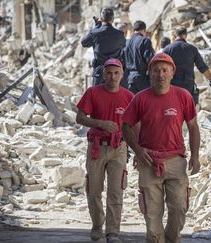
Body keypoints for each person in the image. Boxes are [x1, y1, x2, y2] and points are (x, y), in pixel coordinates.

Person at [122, 53, 201, 243]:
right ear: (149, 73)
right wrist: (138, 151)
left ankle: (171, 239)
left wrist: (195, 156)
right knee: (151, 213)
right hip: (149, 161)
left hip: (176, 161)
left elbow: (193, 127)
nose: (160, 74)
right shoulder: (140, 99)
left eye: (165, 70)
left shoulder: (183, 96)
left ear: (172, 73)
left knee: (179, 208)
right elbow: (125, 125)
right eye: (156, 70)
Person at [76, 58, 133, 243]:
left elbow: (135, 124)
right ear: (103, 74)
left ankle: (112, 232)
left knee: (116, 191)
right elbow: (80, 117)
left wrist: (139, 149)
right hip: (96, 147)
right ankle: (97, 224)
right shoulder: (93, 92)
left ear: (122, 74)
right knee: (94, 189)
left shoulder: (129, 97)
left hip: (119, 148)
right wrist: (99, 123)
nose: (113, 76)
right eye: (109, 73)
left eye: (116, 73)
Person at [163, 27, 211, 104]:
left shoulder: (167, 49)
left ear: (175, 35)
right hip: (188, 86)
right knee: (188, 111)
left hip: (172, 85)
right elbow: (202, 67)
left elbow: (161, 67)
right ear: (186, 35)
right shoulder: (192, 49)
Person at [81, 8, 126, 86]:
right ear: (113, 19)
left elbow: (84, 43)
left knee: (97, 96)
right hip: (114, 72)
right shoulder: (119, 34)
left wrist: (96, 27)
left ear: (101, 19)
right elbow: (123, 45)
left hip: (100, 71)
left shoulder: (95, 33)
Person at [123, 20, 155, 94]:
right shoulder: (145, 40)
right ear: (144, 30)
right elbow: (150, 59)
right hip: (142, 78)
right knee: (145, 101)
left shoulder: (126, 42)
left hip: (129, 78)